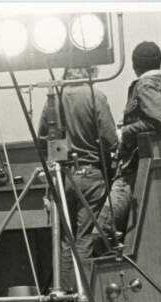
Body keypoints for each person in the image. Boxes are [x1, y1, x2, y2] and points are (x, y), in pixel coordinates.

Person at [95, 41, 161, 242]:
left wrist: (125, 132)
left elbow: (160, 121)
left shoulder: (145, 86)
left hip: (133, 172)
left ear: (134, 65)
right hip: (151, 171)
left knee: (100, 232)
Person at [38, 67, 118, 274]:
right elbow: (111, 140)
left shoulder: (53, 101)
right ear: (90, 72)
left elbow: (42, 140)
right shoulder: (95, 96)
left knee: (67, 241)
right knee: (85, 238)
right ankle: (85, 300)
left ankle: (69, 298)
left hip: (62, 177)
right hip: (90, 175)